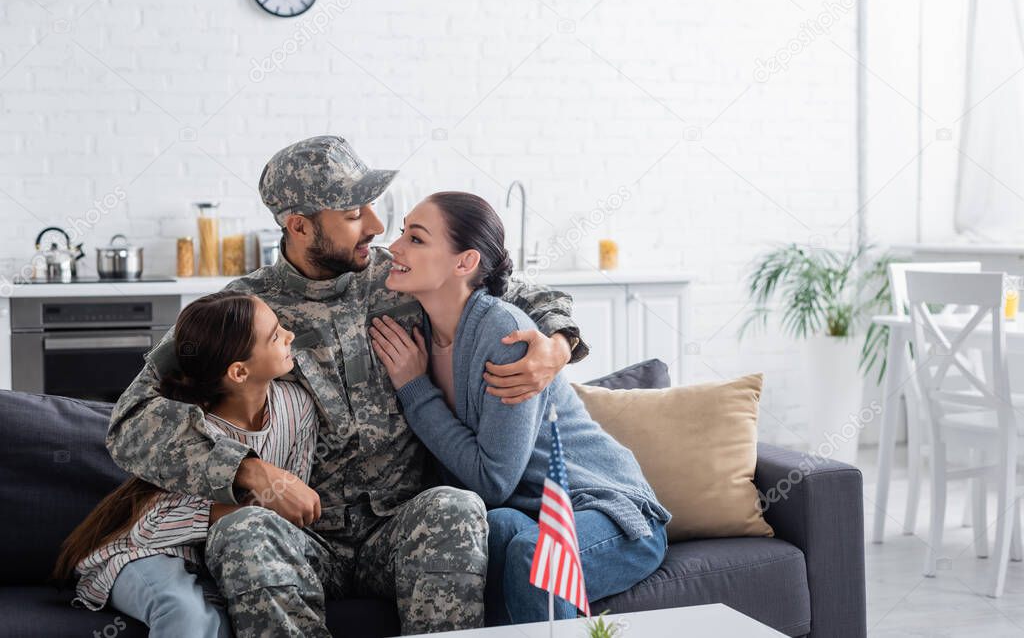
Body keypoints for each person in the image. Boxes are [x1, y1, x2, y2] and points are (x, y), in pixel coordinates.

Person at [106, 136, 590, 636]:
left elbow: (522, 287)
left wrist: (557, 342)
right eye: (354, 213)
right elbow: (131, 420)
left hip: (402, 532)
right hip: (305, 537)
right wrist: (250, 472)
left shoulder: (402, 275)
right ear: (299, 226)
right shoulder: (239, 312)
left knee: (456, 505)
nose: (377, 226)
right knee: (242, 530)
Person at [368, 192, 670, 625]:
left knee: (534, 555)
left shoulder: (504, 334)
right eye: (402, 235)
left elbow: (492, 480)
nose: (394, 248)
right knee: (501, 528)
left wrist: (416, 391)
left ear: (464, 262)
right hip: (532, 511)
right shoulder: (417, 331)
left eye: (415, 239)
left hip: (612, 514)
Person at [55, 291, 316, 637]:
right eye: (275, 335)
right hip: (143, 553)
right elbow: (150, 528)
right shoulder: (194, 432)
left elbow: (291, 504)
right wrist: (244, 510)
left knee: (223, 619)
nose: (290, 336)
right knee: (189, 616)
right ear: (239, 372)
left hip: (213, 556)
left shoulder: (297, 408)